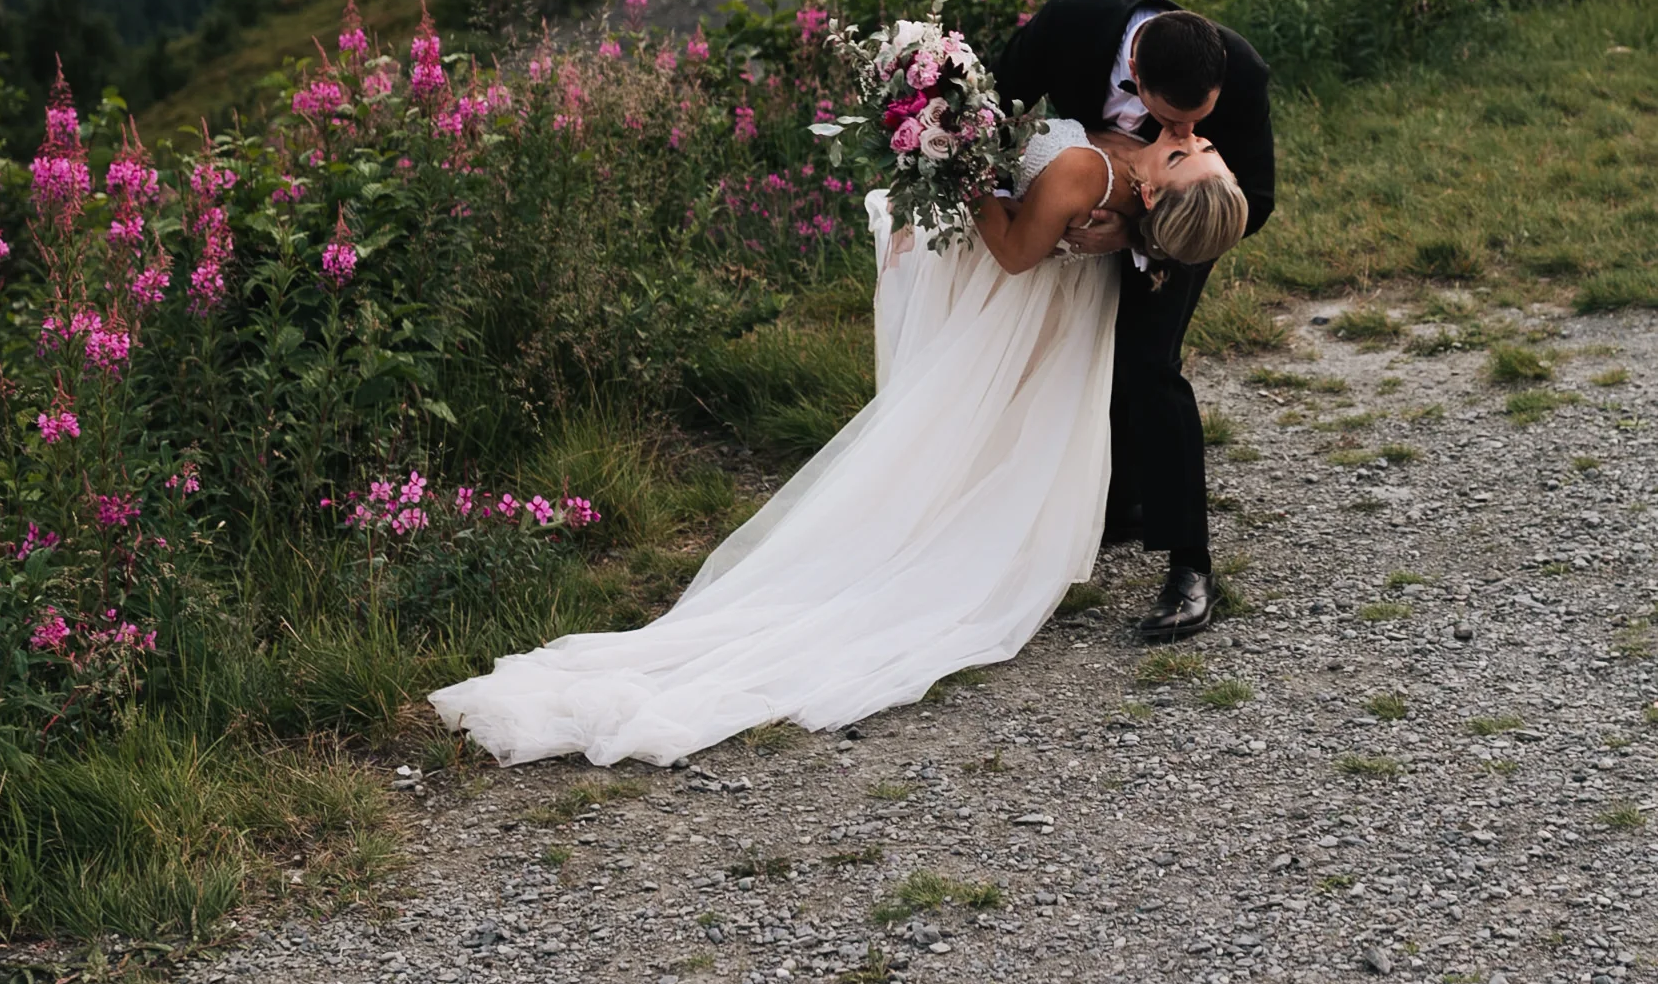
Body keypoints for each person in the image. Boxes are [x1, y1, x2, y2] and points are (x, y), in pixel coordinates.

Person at [428, 112, 1245, 768]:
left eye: (1192, 156)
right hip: (1029, 283)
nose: (1197, 139)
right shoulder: (1133, 153)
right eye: (1201, 145)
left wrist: (952, 165)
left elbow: (1015, 247)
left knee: (951, 422)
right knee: (968, 425)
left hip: (1003, 280)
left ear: (1151, 192)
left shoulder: (1103, 177)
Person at [995, 0, 1274, 644]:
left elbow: (1253, 199)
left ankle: (1189, 567)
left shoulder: (1241, 71)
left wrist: (1136, 231)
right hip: (1072, 196)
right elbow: (992, 109)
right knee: (1066, 351)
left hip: (1180, 228)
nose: (1183, 133)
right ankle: (1116, 503)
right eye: (1172, 120)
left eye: (1196, 121)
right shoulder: (1067, 27)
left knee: (1148, 364)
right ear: (1138, 81)